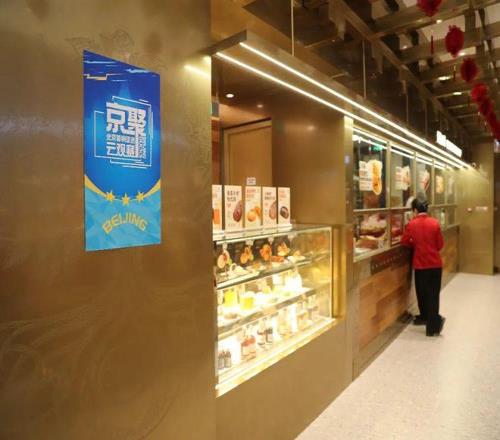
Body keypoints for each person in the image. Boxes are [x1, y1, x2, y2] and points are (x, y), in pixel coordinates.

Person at [401, 198, 446, 337]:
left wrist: (415, 243)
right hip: (435, 265)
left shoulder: (411, 224)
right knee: (433, 294)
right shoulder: (435, 223)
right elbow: (440, 245)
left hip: (421, 265)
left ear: (415, 210)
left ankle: (425, 317)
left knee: (422, 293)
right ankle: (432, 327)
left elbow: (404, 241)